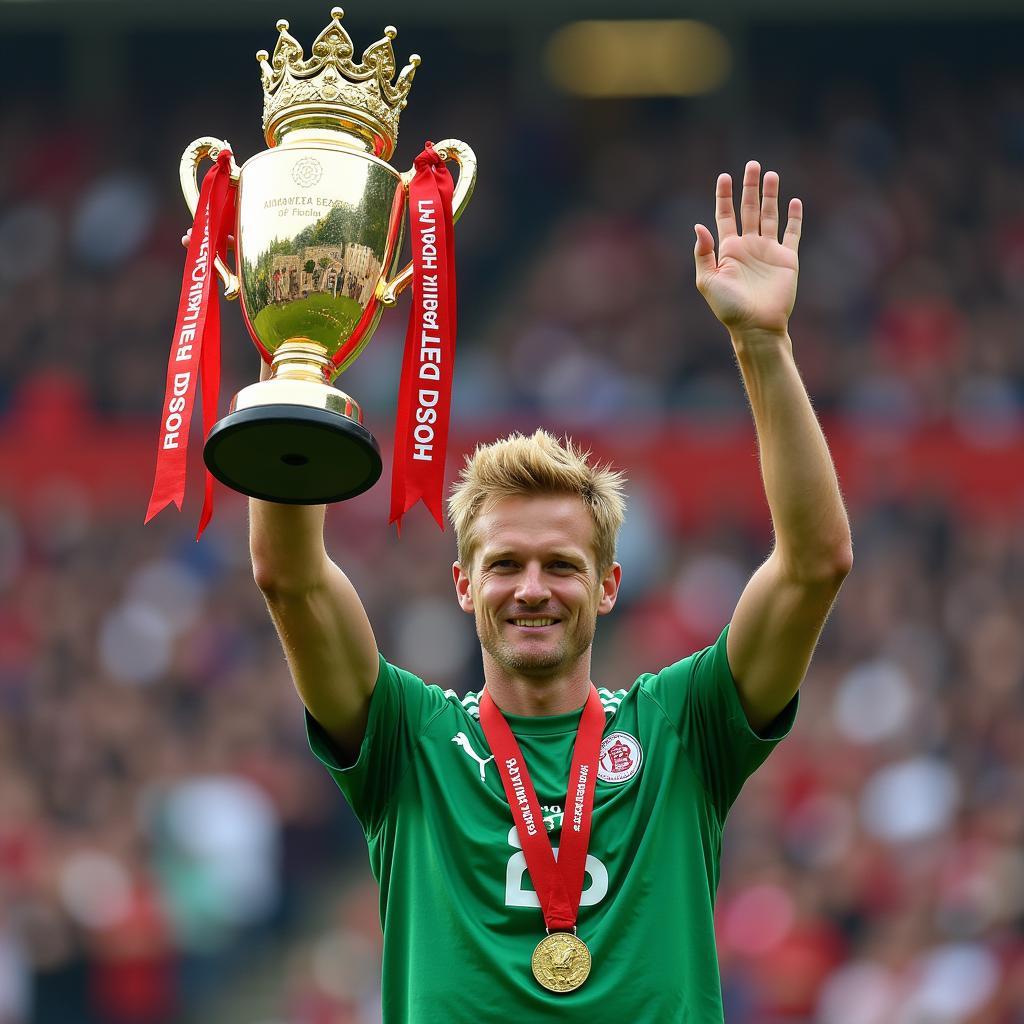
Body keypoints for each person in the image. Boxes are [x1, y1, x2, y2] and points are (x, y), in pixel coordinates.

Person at [250, 162, 852, 1022]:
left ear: (608, 585)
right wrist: (296, 353)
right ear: (464, 586)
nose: (532, 588)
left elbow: (814, 564)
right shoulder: (407, 745)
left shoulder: (682, 730)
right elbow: (289, 576)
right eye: (505, 565)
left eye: (562, 566)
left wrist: (764, 345)